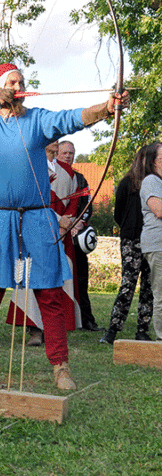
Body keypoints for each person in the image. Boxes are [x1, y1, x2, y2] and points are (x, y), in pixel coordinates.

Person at [0, 63, 129, 389]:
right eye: (12, 81)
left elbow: (71, 118)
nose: (18, 85)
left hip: (37, 218)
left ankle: (60, 367)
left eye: (21, 81)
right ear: (0, 88)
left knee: (49, 293)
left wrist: (107, 107)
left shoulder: (38, 120)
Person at [7, 141, 81, 347]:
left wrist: (64, 226)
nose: (54, 144)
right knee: (32, 279)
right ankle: (34, 330)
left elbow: (73, 200)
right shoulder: (29, 166)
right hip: (33, 230)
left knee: (54, 281)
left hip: (59, 234)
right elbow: (27, 201)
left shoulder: (68, 172)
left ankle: (54, 329)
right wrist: (58, 220)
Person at [101, 146, 153, 344]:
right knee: (128, 284)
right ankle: (113, 330)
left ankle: (142, 330)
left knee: (149, 287)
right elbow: (118, 213)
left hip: (152, 239)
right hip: (131, 239)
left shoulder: (157, 183)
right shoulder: (127, 184)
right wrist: (129, 228)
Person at [57, 140, 103, 331]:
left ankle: (86, 320)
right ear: (57, 154)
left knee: (81, 279)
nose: (68, 156)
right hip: (55, 235)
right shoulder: (48, 176)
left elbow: (87, 206)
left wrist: (78, 223)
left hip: (75, 237)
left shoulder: (80, 179)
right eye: (65, 153)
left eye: (71, 153)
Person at [138, 142, 162, 341]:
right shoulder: (151, 181)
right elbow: (159, 210)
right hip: (158, 244)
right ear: (153, 162)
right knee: (161, 292)